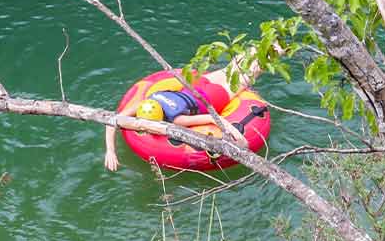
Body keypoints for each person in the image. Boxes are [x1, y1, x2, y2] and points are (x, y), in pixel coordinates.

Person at [103, 52, 264, 172]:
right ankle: (265, 45)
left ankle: (270, 53)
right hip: (196, 84)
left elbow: (211, 118)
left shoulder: (177, 120)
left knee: (249, 75)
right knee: (232, 68)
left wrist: (240, 139)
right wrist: (110, 150)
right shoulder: (147, 102)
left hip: (215, 96)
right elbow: (113, 121)